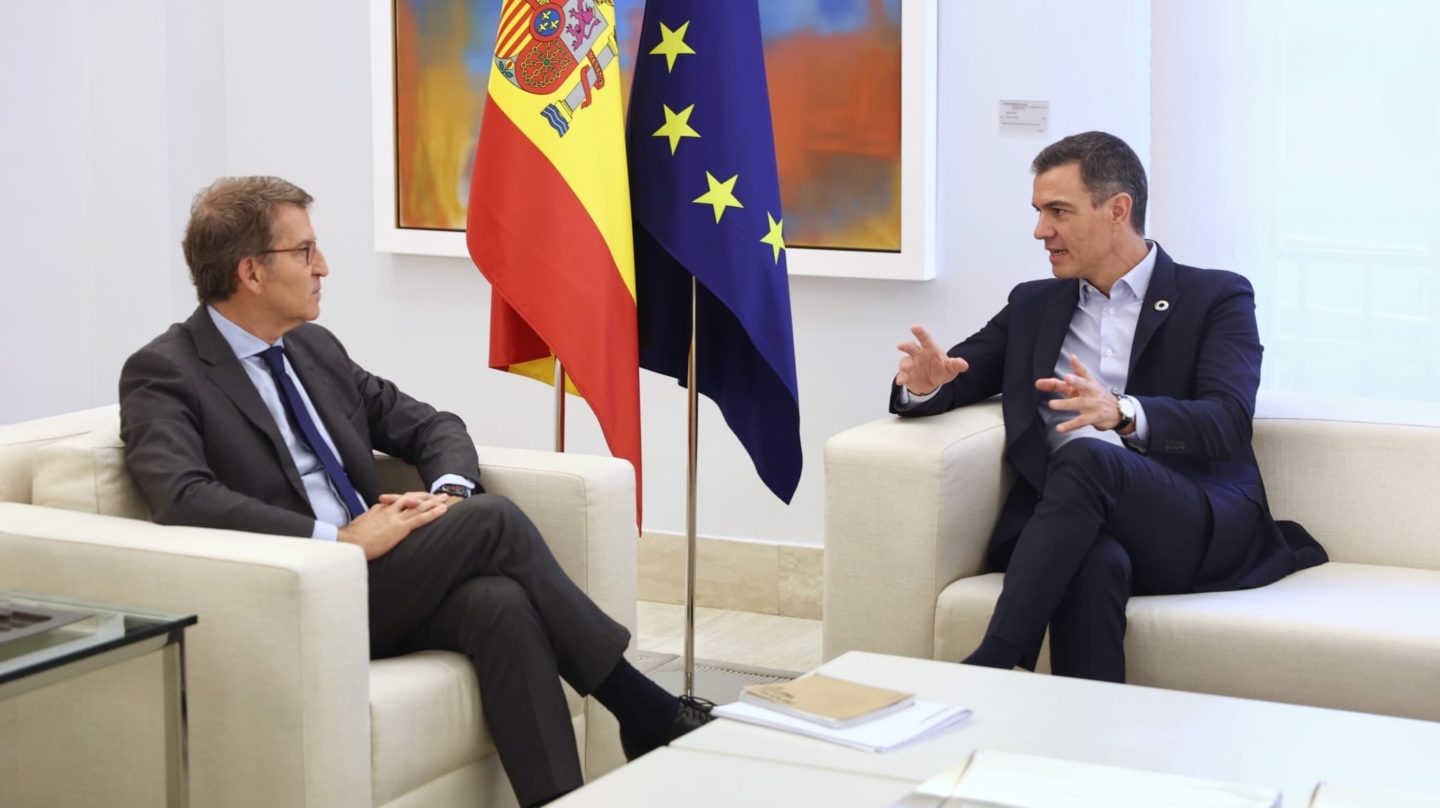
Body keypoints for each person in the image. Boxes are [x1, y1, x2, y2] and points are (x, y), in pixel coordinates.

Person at [119, 176, 711, 808]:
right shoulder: (165, 372)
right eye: (304, 252)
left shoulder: (311, 349)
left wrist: (449, 493)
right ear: (251, 273)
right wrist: (340, 539)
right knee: (496, 523)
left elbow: (432, 426)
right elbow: (183, 496)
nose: (323, 267)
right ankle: (644, 710)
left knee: (500, 603)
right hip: (300, 591)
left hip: (377, 577)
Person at [892, 132, 1327, 682]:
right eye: (1038, 212)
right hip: (1073, 526)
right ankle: (1086, 743)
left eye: (1058, 211)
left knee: (1088, 456)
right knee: (1092, 563)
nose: (1040, 231)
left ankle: (997, 660)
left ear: (1117, 209)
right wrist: (926, 383)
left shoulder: (1215, 298)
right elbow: (955, 376)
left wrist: (1121, 412)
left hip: (1186, 519)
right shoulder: (1033, 304)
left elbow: (1228, 422)